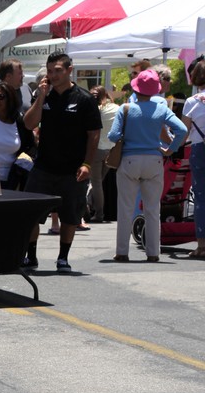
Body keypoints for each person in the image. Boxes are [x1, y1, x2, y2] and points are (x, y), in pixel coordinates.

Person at [20, 52, 102, 274]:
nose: (53, 75)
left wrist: (87, 164)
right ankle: (31, 256)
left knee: (70, 216)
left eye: (58, 70)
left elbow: (94, 134)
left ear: (69, 70)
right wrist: (41, 97)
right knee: (31, 213)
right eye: (50, 71)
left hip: (73, 169)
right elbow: (29, 124)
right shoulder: (43, 95)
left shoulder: (84, 99)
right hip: (43, 167)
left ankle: (63, 258)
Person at [108, 69, 187, 263]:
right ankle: (153, 252)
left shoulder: (125, 108)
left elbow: (113, 136)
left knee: (125, 207)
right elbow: (182, 129)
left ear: (136, 88)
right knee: (152, 208)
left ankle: (122, 252)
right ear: (155, 90)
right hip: (154, 159)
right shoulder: (161, 108)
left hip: (129, 160)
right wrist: (170, 149)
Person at [182, 60, 205, 259]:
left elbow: (183, 132)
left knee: (201, 198)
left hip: (199, 149)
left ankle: (202, 245)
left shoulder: (192, 102)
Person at [87, 85, 120, 223]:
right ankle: (91, 205)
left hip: (97, 149)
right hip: (111, 149)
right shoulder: (117, 108)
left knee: (96, 183)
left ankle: (99, 213)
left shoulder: (95, 110)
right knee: (99, 181)